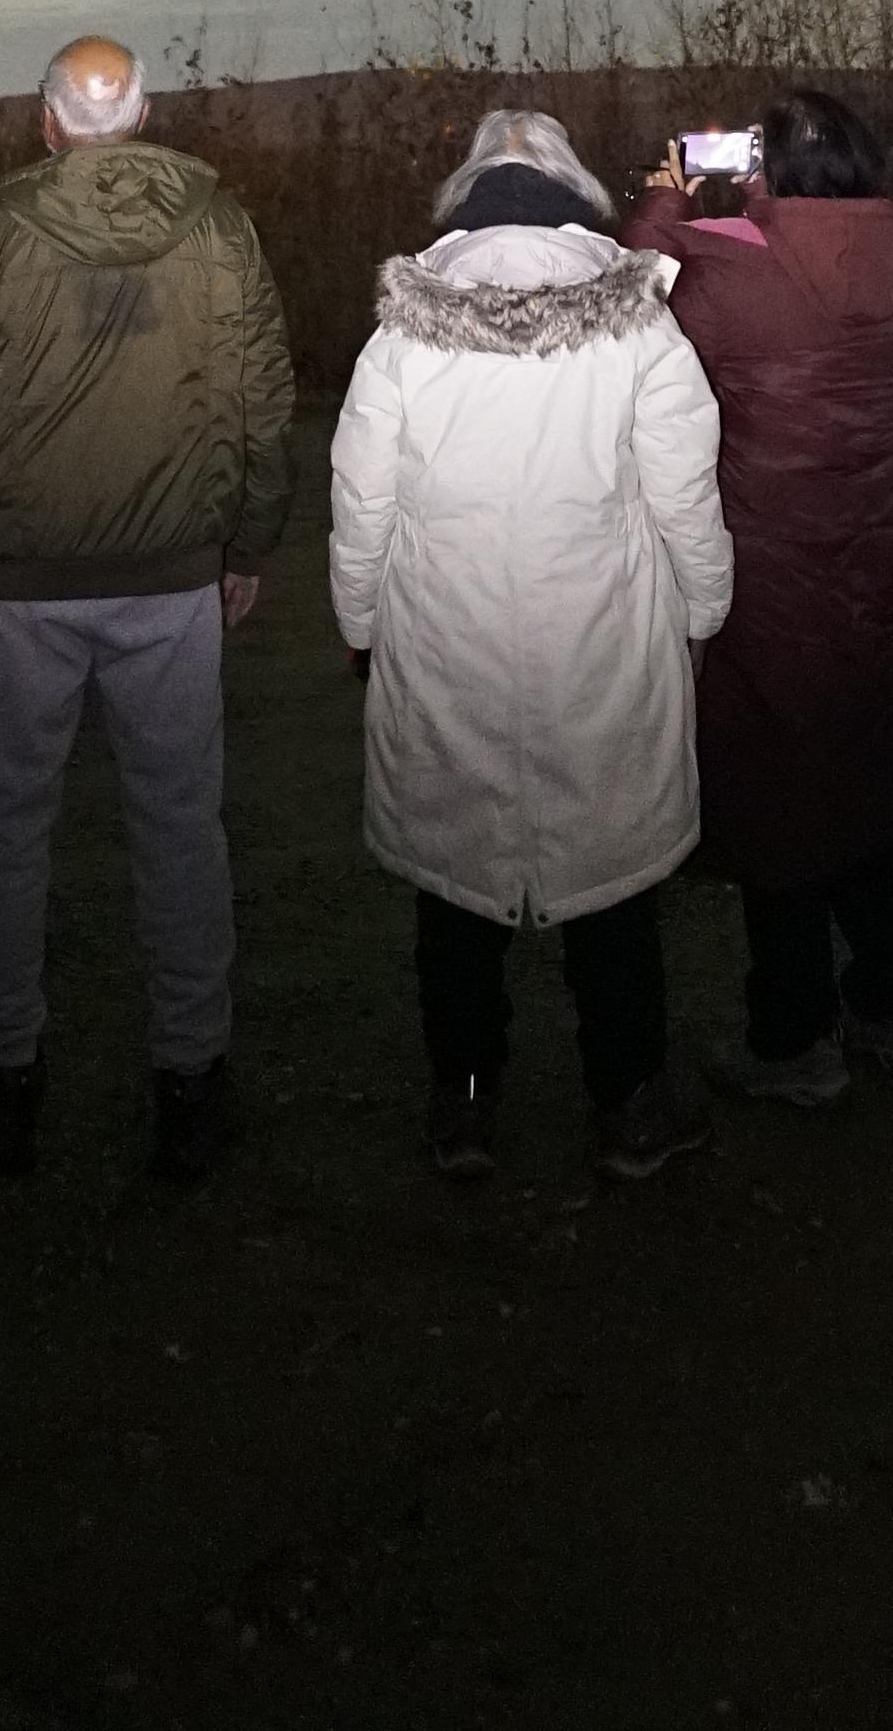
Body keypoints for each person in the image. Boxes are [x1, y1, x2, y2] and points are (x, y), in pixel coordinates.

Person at [0, 35, 295, 1189]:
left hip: (16, 584)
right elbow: (260, 397)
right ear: (141, 117)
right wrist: (246, 537)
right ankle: (191, 1080)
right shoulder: (218, 228)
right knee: (179, 824)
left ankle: (4, 1081)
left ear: (47, 122)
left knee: (3, 826)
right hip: (169, 578)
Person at [328, 106, 733, 1184]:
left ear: (465, 198)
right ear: (574, 194)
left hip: (446, 641)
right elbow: (685, 491)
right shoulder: (638, 325)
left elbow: (362, 501)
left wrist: (361, 625)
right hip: (600, 638)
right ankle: (629, 1101)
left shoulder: (404, 332)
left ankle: (464, 1105)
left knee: (455, 890)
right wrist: (703, 610)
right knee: (612, 881)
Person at [624, 91, 893, 1107]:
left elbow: (632, 302)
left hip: (774, 573)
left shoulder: (732, 264)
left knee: (781, 798)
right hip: (886, 562)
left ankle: (795, 1036)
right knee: (876, 779)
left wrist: (663, 201)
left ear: (765, 165)